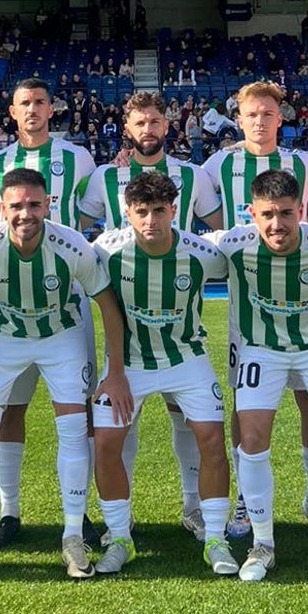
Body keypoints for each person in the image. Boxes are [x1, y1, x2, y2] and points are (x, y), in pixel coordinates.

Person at [0, 167, 126, 581]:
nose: (25, 214)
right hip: (1, 336)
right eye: (16, 206)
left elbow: (107, 306)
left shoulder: (72, 245)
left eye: (34, 204)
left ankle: (71, 534)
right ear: (3, 208)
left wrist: (115, 370)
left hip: (60, 335)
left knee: (71, 428)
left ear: (48, 204)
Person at [201, 80, 308, 542]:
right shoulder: (218, 164)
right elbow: (183, 191)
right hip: (247, 307)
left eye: (268, 114)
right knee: (243, 406)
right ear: (239, 118)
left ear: (279, 118)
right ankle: (247, 498)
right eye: (251, 115)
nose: (260, 122)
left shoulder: (302, 162)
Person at [207, 170, 308, 584]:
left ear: (301, 211)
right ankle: (263, 544)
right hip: (262, 349)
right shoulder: (232, 243)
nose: (276, 224)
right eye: (267, 215)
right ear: (251, 214)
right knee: (253, 436)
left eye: (285, 214)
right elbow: (175, 246)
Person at [80, 91, 223, 540]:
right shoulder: (104, 177)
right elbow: (86, 232)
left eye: (156, 122)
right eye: (140, 123)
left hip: (178, 315)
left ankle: (193, 507)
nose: (149, 130)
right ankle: (119, 521)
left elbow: (218, 231)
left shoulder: (193, 176)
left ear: (168, 124)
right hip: (125, 315)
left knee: (186, 417)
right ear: (127, 127)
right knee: (123, 418)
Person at [90, 174, 236, 576]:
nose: (151, 220)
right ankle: (119, 537)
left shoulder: (203, 254)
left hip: (186, 357)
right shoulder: (106, 250)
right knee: (105, 442)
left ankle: (216, 539)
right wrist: (114, 371)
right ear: (127, 214)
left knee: (211, 437)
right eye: (142, 212)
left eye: (159, 211)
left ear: (174, 210)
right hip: (129, 365)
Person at [0, 78, 97, 548]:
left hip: (66, 303)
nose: (33, 110)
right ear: (12, 110)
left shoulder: (78, 157)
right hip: (6, 307)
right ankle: (10, 510)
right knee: (10, 408)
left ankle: (78, 513)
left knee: (76, 407)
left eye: (41, 102)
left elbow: (93, 209)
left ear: (52, 108)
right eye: (24, 102)